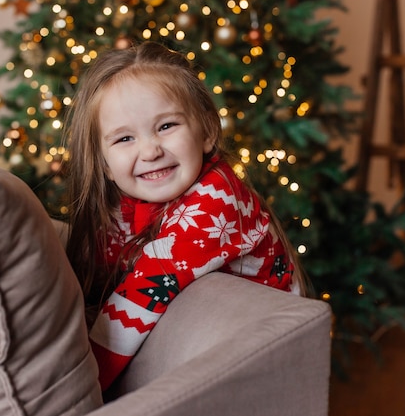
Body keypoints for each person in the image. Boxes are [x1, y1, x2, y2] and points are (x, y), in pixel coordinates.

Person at [64, 41, 309, 392]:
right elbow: (100, 262)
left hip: (263, 362)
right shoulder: (127, 201)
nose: (150, 151)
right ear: (104, 162)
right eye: (125, 139)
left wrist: (76, 390)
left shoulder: (218, 200)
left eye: (166, 126)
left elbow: (138, 297)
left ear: (207, 131)